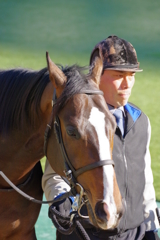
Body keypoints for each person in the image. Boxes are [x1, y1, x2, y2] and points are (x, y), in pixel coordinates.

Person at [42, 35, 160, 240]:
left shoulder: (141, 120)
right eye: (118, 75)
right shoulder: (77, 122)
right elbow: (54, 175)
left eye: (131, 75)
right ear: (96, 75)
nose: (127, 84)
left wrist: (150, 225)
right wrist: (60, 198)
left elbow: (145, 178)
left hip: (135, 233)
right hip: (87, 233)